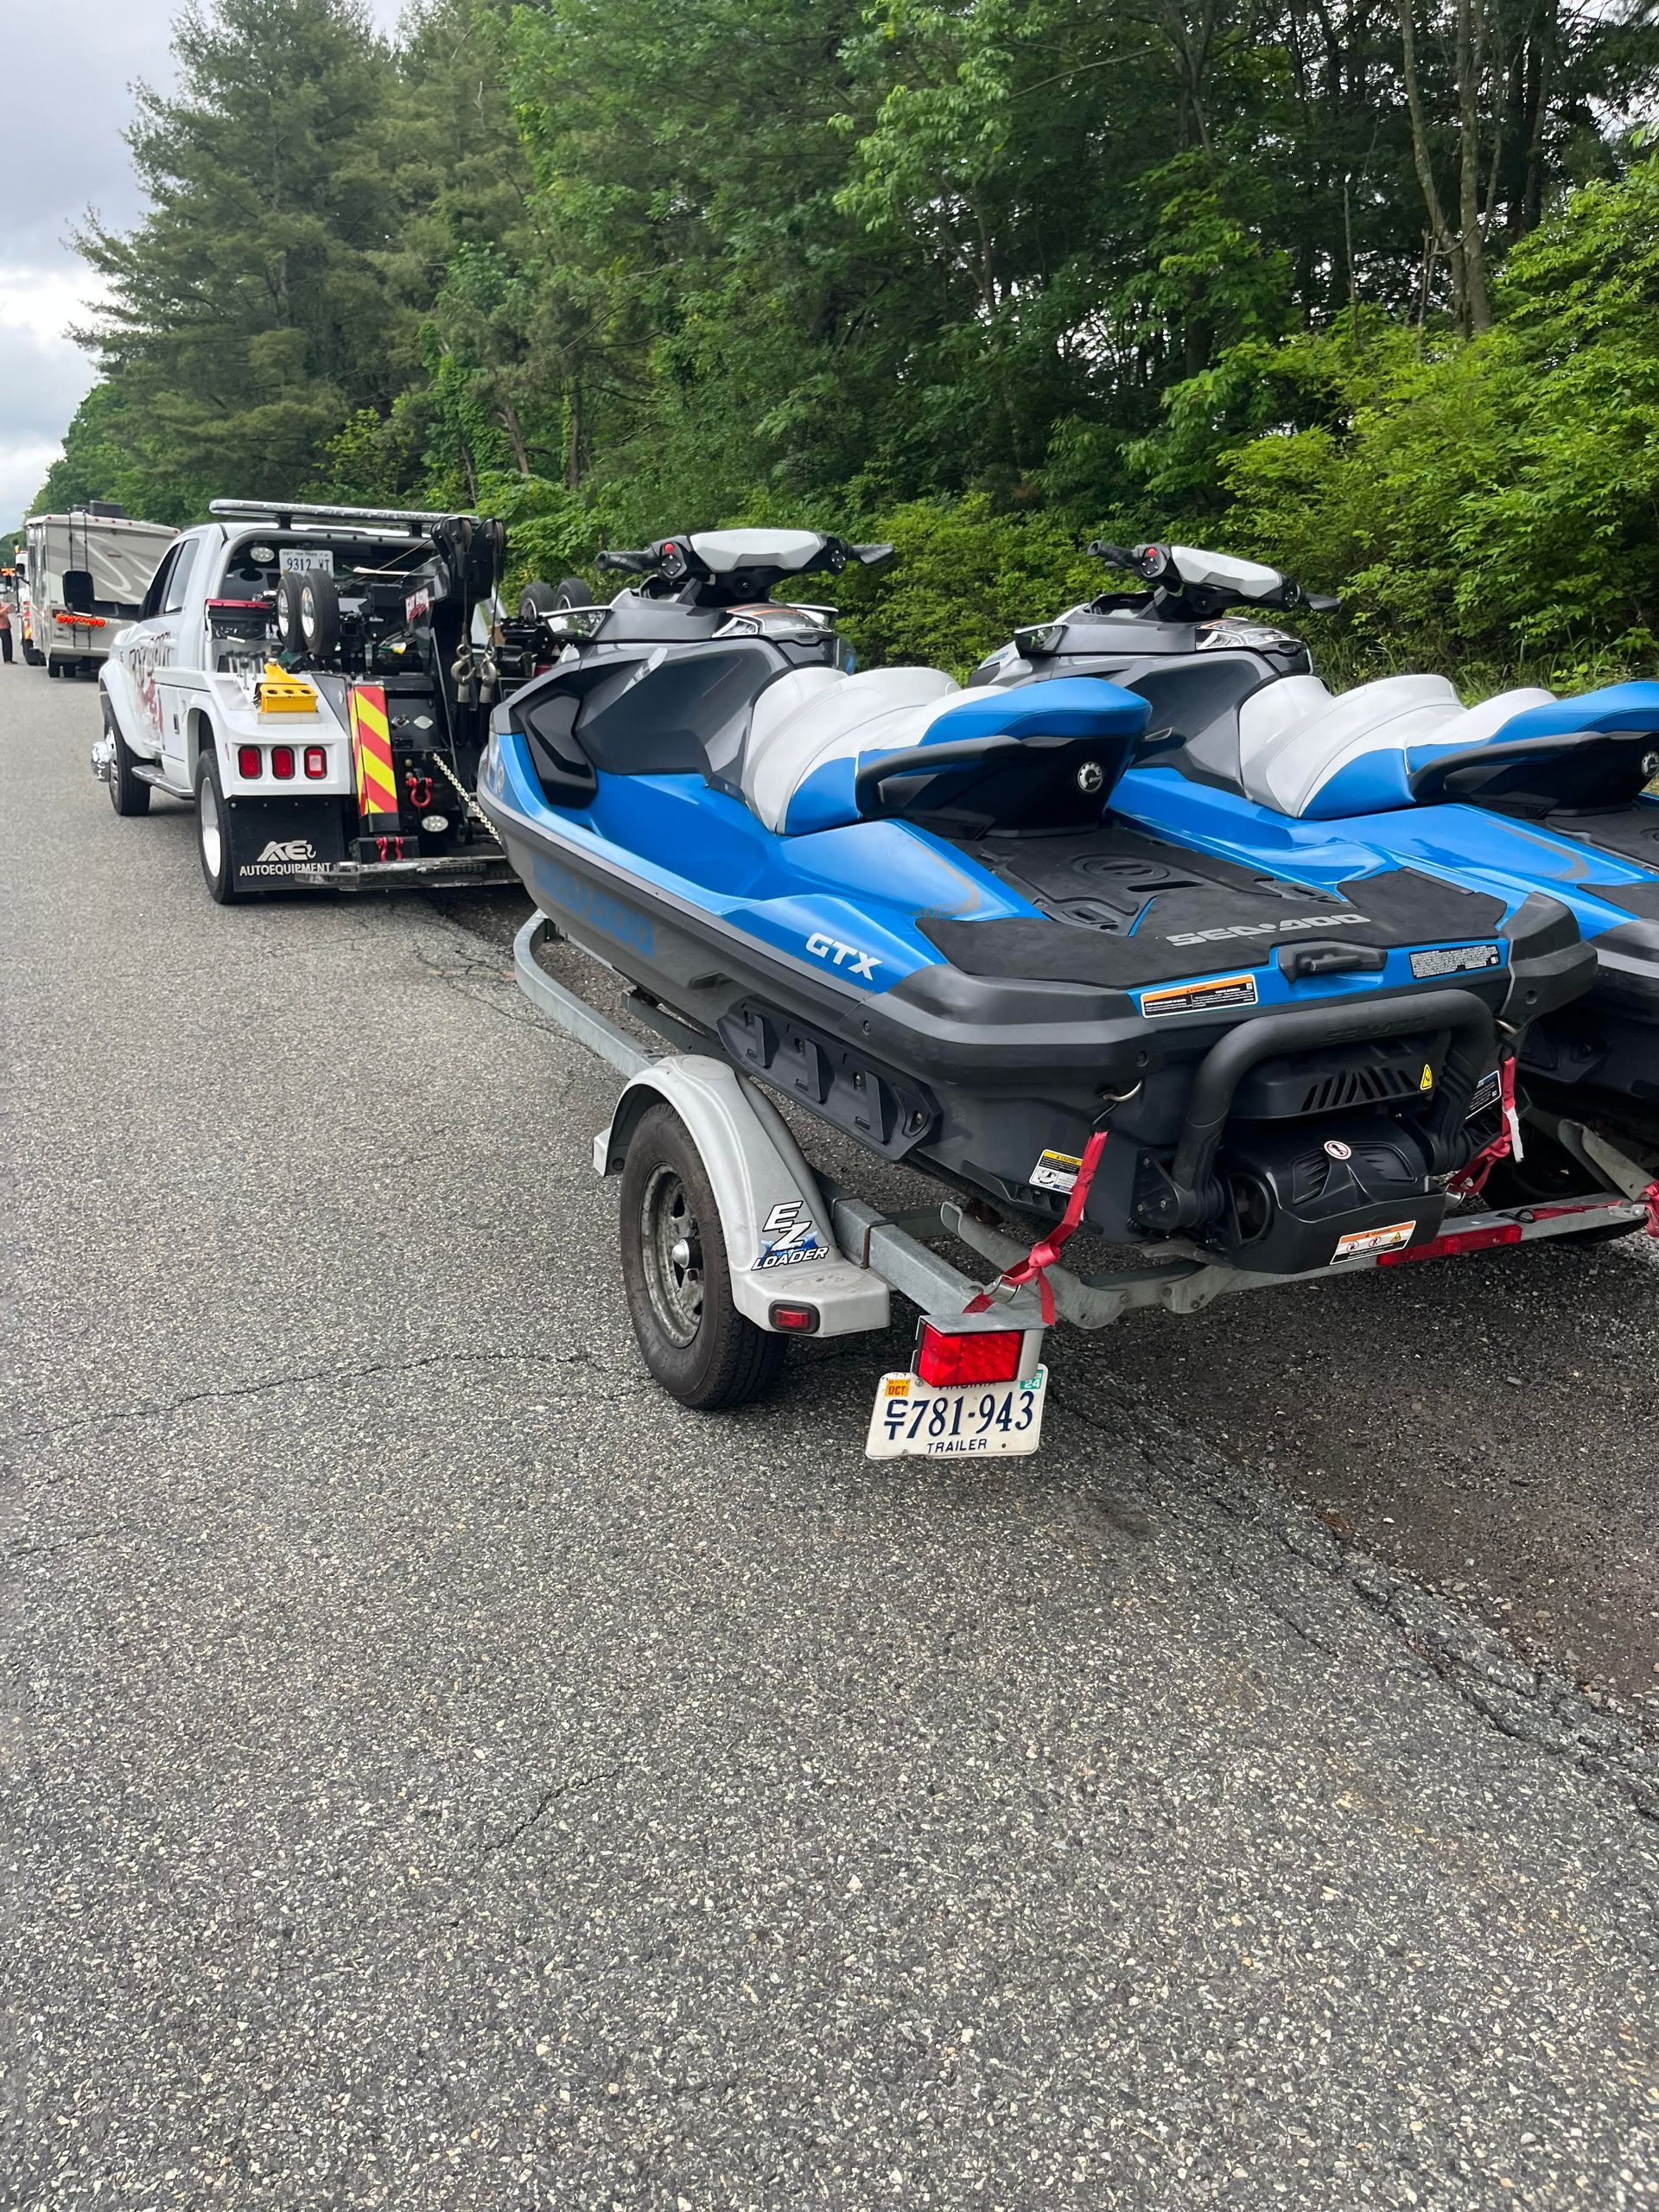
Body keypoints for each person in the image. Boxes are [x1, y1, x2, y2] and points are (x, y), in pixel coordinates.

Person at [0, 597, 12, 664]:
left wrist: (8, 607)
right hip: (2, 628)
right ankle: (7, 659)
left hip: (6, 627)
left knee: (8, 644)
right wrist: (6, 608)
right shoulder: (2, 609)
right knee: (6, 644)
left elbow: (8, 611)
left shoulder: (2, 607)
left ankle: (9, 659)